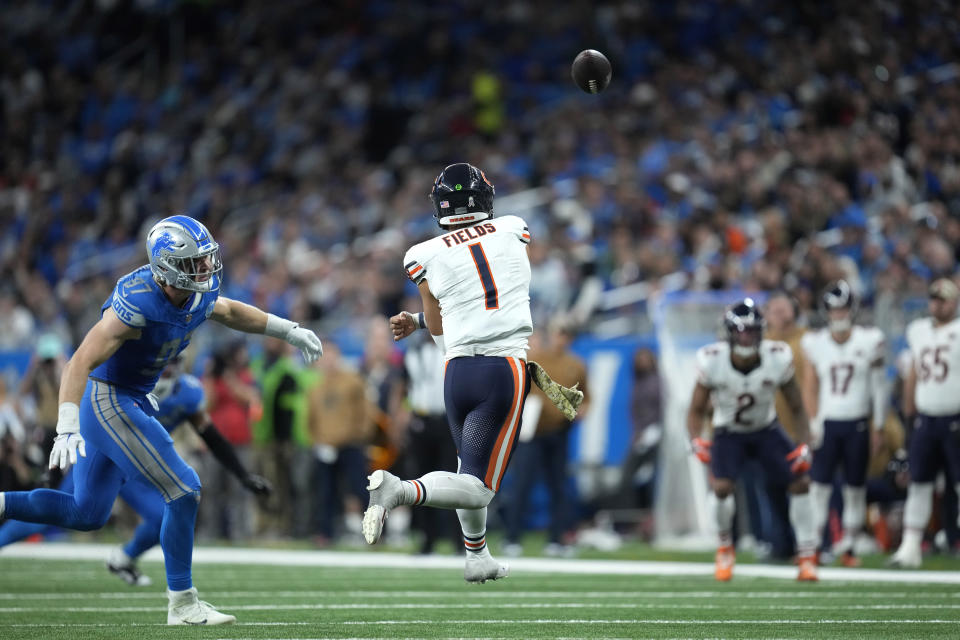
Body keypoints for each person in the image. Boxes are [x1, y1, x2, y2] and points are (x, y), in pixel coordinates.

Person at [0, 215, 321, 625]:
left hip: (128, 397)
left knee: (87, 513)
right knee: (185, 488)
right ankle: (183, 603)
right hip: (110, 397)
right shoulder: (137, 303)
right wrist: (66, 422)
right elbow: (80, 360)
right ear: (168, 268)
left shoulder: (196, 294)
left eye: (207, 259)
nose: (206, 269)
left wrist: (287, 330)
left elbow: (229, 311)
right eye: (196, 263)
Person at [363, 163, 535, 583]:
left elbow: (440, 323)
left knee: (465, 473)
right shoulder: (514, 227)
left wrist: (419, 323)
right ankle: (399, 491)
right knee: (478, 487)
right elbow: (489, 291)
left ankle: (477, 555)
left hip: (457, 373)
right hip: (502, 368)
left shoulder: (423, 253)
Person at [0, 357, 273, 587]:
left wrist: (242, 475)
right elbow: (90, 402)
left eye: (174, 359)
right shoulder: (127, 379)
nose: (167, 366)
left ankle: (124, 559)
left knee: (164, 514)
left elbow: (211, 435)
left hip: (137, 464)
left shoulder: (188, 392)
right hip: (104, 455)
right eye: (164, 359)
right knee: (68, 512)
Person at [687, 298, 818, 582]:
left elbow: (797, 407)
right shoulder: (712, 360)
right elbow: (695, 409)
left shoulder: (777, 356)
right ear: (729, 333)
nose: (746, 336)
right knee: (721, 487)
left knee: (801, 481)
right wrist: (696, 440)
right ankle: (724, 548)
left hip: (765, 429)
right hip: (728, 432)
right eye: (741, 331)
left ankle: (807, 556)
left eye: (752, 330)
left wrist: (804, 444)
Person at [800, 280, 886, 566]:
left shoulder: (869, 339)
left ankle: (849, 546)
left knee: (854, 489)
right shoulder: (815, 343)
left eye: (842, 308)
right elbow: (810, 387)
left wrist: (879, 424)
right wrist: (813, 423)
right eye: (833, 309)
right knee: (819, 488)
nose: (837, 314)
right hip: (828, 423)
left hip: (857, 423)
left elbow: (878, 387)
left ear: (852, 309)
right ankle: (814, 546)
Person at [889, 277, 960, 568]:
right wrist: (909, 414)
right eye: (933, 298)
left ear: (954, 302)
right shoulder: (918, 331)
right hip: (926, 419)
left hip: (956, 417)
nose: (936, 304)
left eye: (942, 299)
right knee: (918, 483)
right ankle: (910, 548)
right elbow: (914, 374)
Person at [504, 317, 589, 557]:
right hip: (532, 432)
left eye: (566, 334)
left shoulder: (576, 364)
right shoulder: (534, 360)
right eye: (558, 333)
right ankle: (512, 537)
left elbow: (587, 396)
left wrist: (583, 409)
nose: (561, 338)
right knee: (522, 484)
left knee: (558, 486)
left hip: (559, 431)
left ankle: (557, 539)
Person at [305, 342, 372, 544]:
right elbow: (310, 420)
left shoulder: (352, 381)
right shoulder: (315, 388)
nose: (328, 360)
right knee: (326, 492)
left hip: (350, 444)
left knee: (361, 488)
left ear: (338, 356)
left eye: (331, 355)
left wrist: (360, 435)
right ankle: (326, 533)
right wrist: (317, 442)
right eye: (324, 356)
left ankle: (376, 530)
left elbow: (366, 411)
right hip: (326, 448)